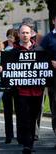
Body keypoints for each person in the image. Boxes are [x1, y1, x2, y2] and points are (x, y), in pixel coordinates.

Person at [13, 24, 44, 154]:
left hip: (37, 91)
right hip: (21, 91)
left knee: (33, 118)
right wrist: (2, 69)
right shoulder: (13, 52)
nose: (25, 35)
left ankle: (29, 143)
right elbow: (8, 68)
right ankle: (27, 144)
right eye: (22, 33)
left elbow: (45, 67)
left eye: (27, 33)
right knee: (24, 118)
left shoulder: (39, 49)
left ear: (31, 34)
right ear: (19, 34)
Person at [1, 28, 21, 144]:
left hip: (16, 84)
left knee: (19, 111)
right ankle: (9, 135)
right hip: (5, 84)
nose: (10, 38)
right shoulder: (2, 47)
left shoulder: (18, 49)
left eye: (12, 36)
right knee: (7, 111)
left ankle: (20, 135)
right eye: (8, 36)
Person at [40, 14, 56, 149]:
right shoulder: (47, 38)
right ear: (54, 21)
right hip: (53, 80)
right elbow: (39, 57)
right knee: (55, 110)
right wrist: (50, 62)